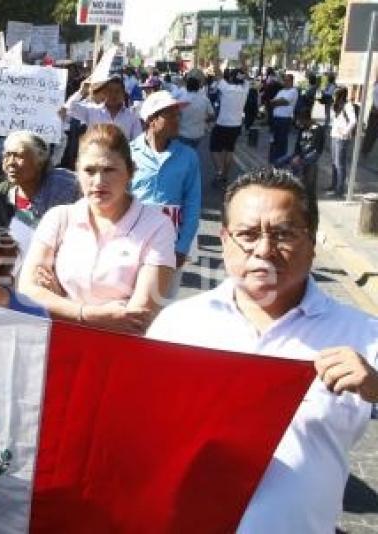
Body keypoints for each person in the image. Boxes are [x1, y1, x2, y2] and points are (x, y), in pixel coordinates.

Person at [147, 168, 378, 533]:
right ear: (224, 240)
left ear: (313, 240)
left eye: (284, 234)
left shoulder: (364, 335)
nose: (265, 250)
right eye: (247, 235)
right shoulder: (177, 325)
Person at [18, 124, 176, 334]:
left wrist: (59, 300)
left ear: (131, 172)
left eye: (109, 170)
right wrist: (87, 314)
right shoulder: (58, 218)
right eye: (89, 170)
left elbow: (139, 317)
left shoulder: (158, 226)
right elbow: (28, 291)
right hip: (55, 343)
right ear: (77, 171)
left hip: (118, 352)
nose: (99, 181)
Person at [130, 90, 201, 271]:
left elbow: (192, 204)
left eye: (178, 115)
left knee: (163, 297)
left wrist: (182, 247)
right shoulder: (128, 153)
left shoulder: (188, 156)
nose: (177, 120)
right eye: (170, 115)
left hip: (171, 242)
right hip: (132, 241)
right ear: (151, 120)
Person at [0, 130, 81, 230]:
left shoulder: (64, 185)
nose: (11, 163)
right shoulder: (6, 195)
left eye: (19, 156)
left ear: (40, 161)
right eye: (7, 155)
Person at [273, 109, 324, 202]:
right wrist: (296, 154)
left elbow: (314, 147)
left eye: (301, 121)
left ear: (306, 119)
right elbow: (298, 145)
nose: (299, 123)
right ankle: (283, 182)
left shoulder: (317, 129)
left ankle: (297, 186)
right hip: (301, 153)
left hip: (313, 153)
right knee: (279, 161)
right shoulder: (302, 128)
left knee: (297, 164)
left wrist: (300, 157)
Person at [211, 68, 250, 187]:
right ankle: (225, 175)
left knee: (214, 149)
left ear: (231, 78)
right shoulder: (245, 89)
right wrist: (243, 61)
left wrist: (217, 59)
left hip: (222, 123)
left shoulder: (226, 88)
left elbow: (217, 73)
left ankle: (220, 171)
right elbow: (247, 76)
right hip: (236, 125)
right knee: (229, 150)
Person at [79, 75, 143, 142]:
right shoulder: (92, 111)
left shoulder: (132, 116)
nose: (113, 95)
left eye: (117, 91)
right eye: (110, 91)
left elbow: (138, 141)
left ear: (123, 94)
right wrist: (81, 92)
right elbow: (70, 108)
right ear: (104, 93)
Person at [328, 87, 357, 197]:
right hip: (334, 136)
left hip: (342, 138)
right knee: (334, 163)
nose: (333, 97)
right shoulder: (337, 105)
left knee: (340, 164)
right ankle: (334, 185)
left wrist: (345, 131)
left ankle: (339, 189)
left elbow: (353, 121)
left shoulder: (348, 106)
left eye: (335, 95)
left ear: (340, 95)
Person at [177, 76, 215, 149]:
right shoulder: (205, 100)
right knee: (193, 151)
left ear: (187, 87)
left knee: (184, 155)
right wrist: (203, 120)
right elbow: (212, 116)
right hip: (199, 134)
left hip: (184, 133)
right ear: (198, 87)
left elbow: (177, 117)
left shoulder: (181, 100)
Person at [269, 73, 299, 162]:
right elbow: (272, 102)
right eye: (284, 80)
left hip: (284, 119)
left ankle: (280, 159)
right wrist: (275, 102)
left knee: (282, 140)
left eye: (287, 80)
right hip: (276, 118)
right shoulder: (281, 91)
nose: (285, 82)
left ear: (291, 81)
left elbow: (284, 101)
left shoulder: (293, 91)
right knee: (274, 139)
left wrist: (275, 102)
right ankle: (274, 159)